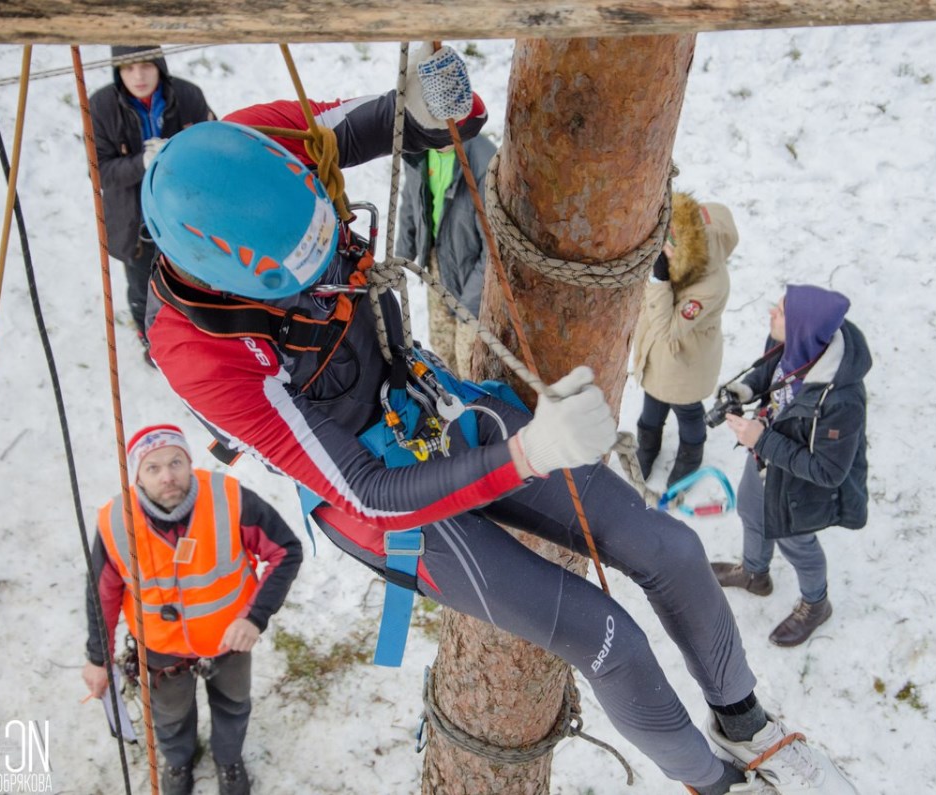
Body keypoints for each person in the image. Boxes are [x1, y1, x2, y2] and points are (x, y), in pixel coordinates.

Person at [137, 44, 856, 795]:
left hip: (430, 401)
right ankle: (716, 786)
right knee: (606, 637)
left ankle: (745, 720)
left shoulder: (259, 144)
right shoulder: (200, 351)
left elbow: (405, 124)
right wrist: (532, 453)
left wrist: (433, 104)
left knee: (669, 548)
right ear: (231, 279)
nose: (325, 274)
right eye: (301, 275)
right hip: (380, 498)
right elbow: (367, 491)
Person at [81, 424, 303, 795]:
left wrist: (254, 618)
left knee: (233, 705)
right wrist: (97, 657)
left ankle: (228, 760)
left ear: (189, 462)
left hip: (230, 639)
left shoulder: (229, 497)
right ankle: (179, 761)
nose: (167, 476)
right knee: (169, 716)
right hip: (160, 648)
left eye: (176, 462)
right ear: (137, 476)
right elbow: (101, 593)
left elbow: (286, 551)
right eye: (153, 468)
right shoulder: (115, 521)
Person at [715, 285, 870, 648]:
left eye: (781, 311)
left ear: (802, 327)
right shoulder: (796, 344)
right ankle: (754, 574)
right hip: (765, 458)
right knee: (750, 510)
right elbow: (772, 370)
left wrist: (761, 439)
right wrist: (744, 391)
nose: (772, 313)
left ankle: (816, 604)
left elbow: (829, 471)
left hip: (801, 485)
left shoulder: (843, 401)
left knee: (797, 544)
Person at [89, 45, 215, 363]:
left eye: (146, 65)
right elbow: (100, 171)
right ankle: (151, 340)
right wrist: (142, 162)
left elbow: (213, 145)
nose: (138, 76)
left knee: (194, 277)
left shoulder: (188, 96)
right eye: (128, 68)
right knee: (142, 287)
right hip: (135, 223)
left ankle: (197, 334)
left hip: (185, 216)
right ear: (118, 71)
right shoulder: (102, 106)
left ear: (159, 65)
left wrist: (178, 154)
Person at [632, 192, 738, 487]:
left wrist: (659, 280)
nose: (664, 246)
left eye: (671, 243)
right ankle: (648, 445)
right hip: (658, 355)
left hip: (684, 361)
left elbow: (668, 330)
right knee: (652, 402)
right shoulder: (681, 255)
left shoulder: (709, 287)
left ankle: (691, 455)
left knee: (687, 410)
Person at [396, 134, 497, 379]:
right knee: (441, 350)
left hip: (474, 272)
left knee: (469, 360)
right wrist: (402, 255)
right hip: (437, 263)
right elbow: (411, 201)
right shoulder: (419, 151)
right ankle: (451, 399)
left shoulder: (483, 161)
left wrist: (471, 302)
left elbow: (493, 247)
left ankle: (476, 401)